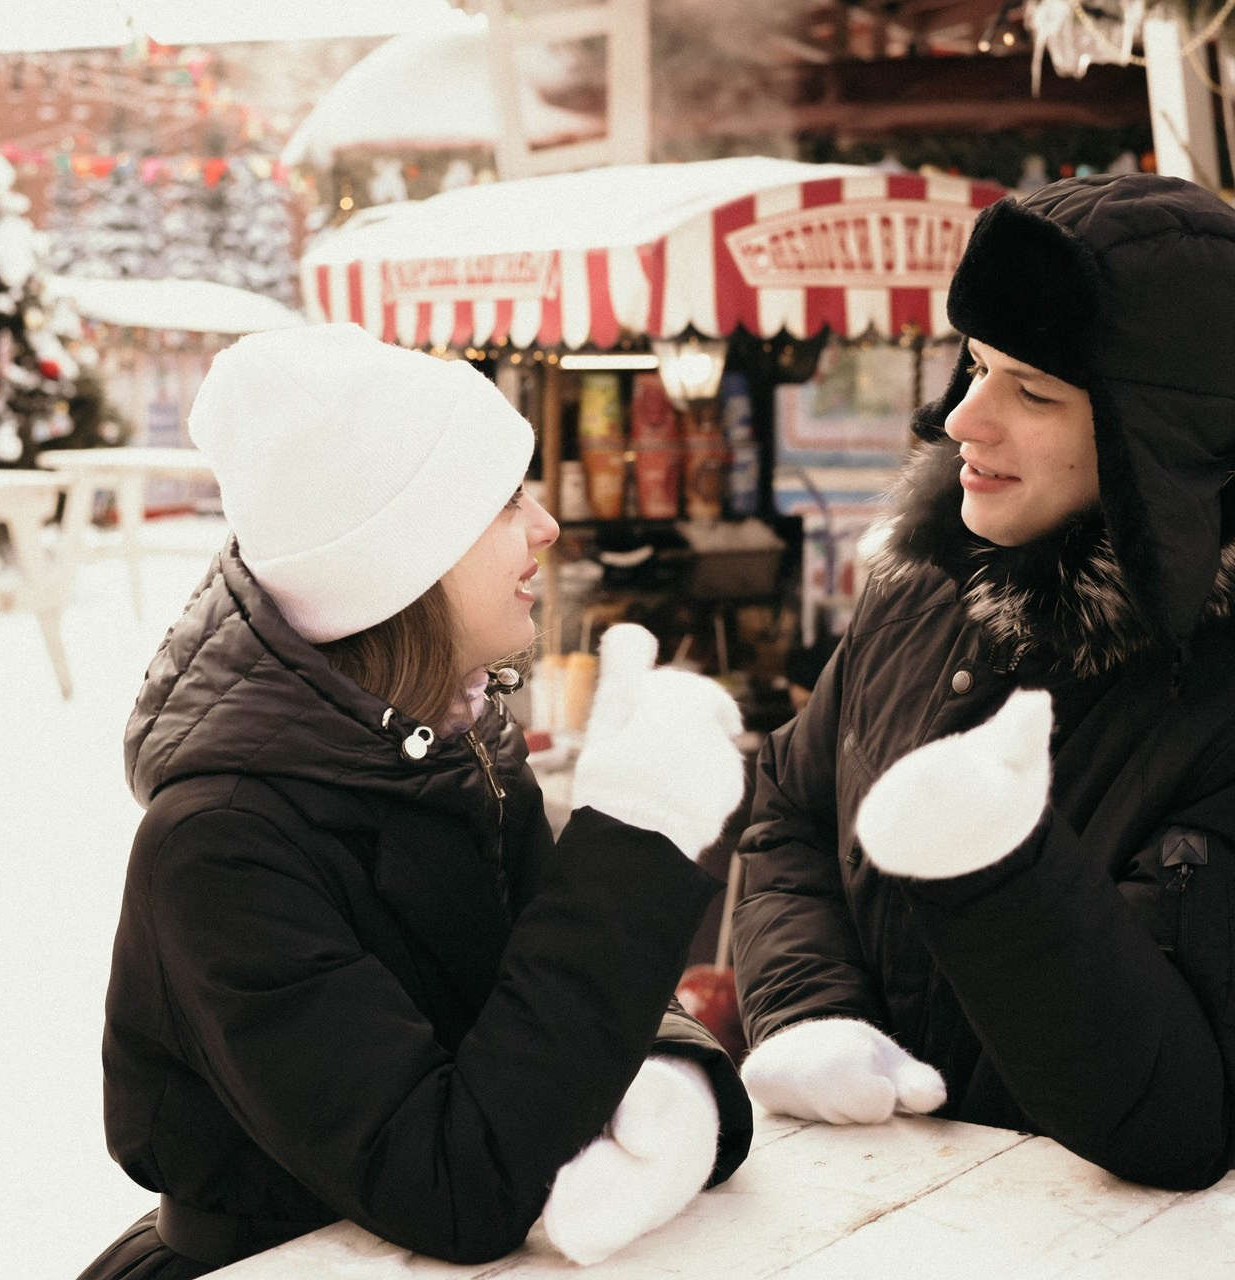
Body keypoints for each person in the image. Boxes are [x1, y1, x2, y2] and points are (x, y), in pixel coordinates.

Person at [78, 323, 753, 1279]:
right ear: (397, 559)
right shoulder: (221, 845)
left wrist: (675, 1079)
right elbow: (451, 1184)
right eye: (502, 500)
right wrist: (634, 848)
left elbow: (555, 1012)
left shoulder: (463, 753)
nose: (545, 525)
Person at [732, 172, 1235, 1191]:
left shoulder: (1214, 699)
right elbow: (790, 808)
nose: (964, 418)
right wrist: (810, 1010)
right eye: (973, 365)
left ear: (1161, 443)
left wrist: (992, 862)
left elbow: (1178, 1116)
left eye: (1032, 391)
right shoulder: (917, 586)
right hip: (856, 1215)